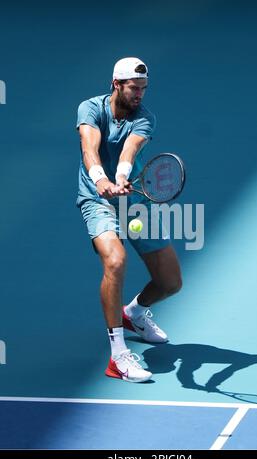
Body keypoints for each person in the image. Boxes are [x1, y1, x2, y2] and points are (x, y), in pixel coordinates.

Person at [76, 57, 182, 383]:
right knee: (116, 261)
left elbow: (129, 152)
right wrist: (100, 181)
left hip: (133, 200)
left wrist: (121, 178)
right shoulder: (90, 109)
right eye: (134, 88)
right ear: (116, 85)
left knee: (170, 283)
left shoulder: (145, 118)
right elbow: (89, 148)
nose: (139, 94)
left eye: (143, 89)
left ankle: (133, 314)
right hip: (97, 199)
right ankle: (118, 357)